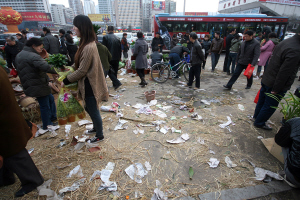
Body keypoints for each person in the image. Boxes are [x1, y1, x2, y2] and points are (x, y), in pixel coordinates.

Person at [61, 15, 109, 143]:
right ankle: (95, 128)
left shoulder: (88, 46)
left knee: (93, 109)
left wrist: (66, 80)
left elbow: (82, 70)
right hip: (87, 82)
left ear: (81, 27)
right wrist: (70, 68)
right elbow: (80, 63)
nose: (73, 29)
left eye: (75, 26)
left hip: (90, 83)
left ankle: (99, 135)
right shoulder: (85, 43)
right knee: (89, 107)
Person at [0, 67, 44, 197]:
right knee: (8, 151)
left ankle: (33, 180)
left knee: (14, 152)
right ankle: (6, 178)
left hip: (4, 121)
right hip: (8, 116)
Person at [253, 32, 300, 130]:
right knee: (270, 105)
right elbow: (285, 72)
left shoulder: (286, 42)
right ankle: (259, 122)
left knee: (262, 100)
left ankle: (256, 117)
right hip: (275, 83)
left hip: (268, 78)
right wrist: (277, 88)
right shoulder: (296, 49)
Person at [15, 38, 57, 130]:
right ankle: (47, 125)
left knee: (50, 98)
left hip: (30, 83)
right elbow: (46, 67)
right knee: (44, 105)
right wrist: (59, 69)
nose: (41, 50)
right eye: (40, 48)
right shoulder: (33, 56)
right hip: (37, 84)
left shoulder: (19, 55)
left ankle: (53, 117)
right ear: (33, 46)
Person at [275, 117, 300, 188]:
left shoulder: (296, 122)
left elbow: (279, 140)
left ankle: (290, 178)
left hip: (296, 178)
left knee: (285, 141)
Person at [102, 26, 122, 90]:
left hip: (109, 57)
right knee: (115, 71)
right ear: (113, 30)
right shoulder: (118, 38)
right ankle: (115, 84)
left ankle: (116, 82)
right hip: (116, 57)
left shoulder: (105, 37)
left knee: (109, 71)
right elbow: (120, 49)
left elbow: (104, 48)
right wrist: (120, 57)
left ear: (108, 30)